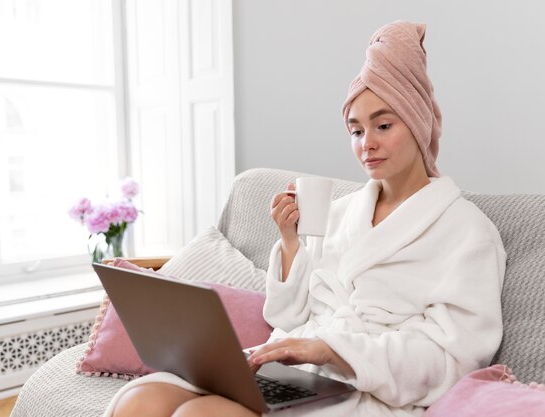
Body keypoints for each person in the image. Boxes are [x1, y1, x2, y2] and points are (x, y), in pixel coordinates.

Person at [103, 20, 506, 417]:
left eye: (383, 125)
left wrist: (334, 351)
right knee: (139, 401)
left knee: (200, 414)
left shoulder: (467, 232)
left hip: (365, 387)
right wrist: (291, 241)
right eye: (355, 131)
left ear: (418, 126)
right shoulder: (339, 212)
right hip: (293, 371)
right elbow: (285, 318)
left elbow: (453, 361)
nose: (367, 144)